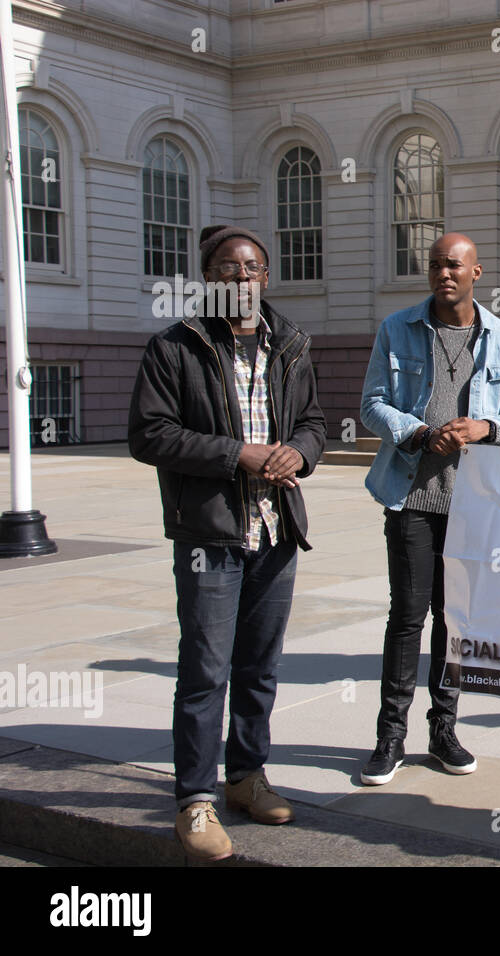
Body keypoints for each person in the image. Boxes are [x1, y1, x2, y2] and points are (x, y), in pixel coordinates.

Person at [128, 224, 327, 861]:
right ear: (208, 279)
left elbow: (314, 422)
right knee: (205, 669)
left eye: (252, 268)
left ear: (266, 276)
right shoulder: (175, 347)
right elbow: (150, 435)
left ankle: (245, 777)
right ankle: (194, 798)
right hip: (210, 531)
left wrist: (300, 451)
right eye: (227, 269)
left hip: (276, 528)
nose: (241, 278)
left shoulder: (291, 342)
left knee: (259, 666)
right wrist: (234, 453)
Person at [358, 232, 500, 786]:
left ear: (478, 272)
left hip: (473, 505)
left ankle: (443, 729)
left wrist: (484, 427)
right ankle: (390, 738)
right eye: (435, 265)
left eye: (454, 265)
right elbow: (372, 405)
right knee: (407, 618)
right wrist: (420, 432)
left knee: (454, 623)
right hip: (411, 498)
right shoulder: (397, 328)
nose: (443, 274)